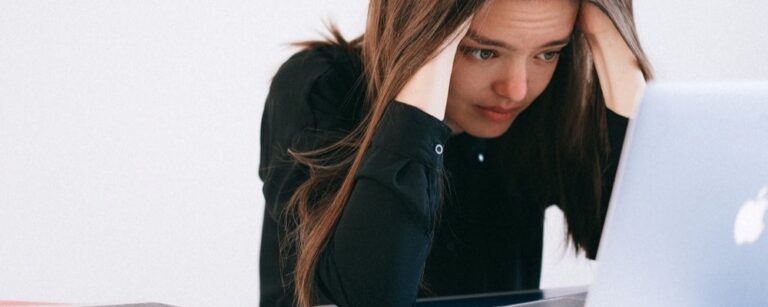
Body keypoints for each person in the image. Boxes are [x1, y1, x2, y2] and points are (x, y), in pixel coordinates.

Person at [259, 0, 653, 306]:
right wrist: (423, 64)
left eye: (547, 53)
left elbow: (651, 252)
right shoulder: (320, 88)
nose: (516, 89)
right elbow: (370, 296)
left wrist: (615, 45)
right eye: (482, 52)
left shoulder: (544, 108)